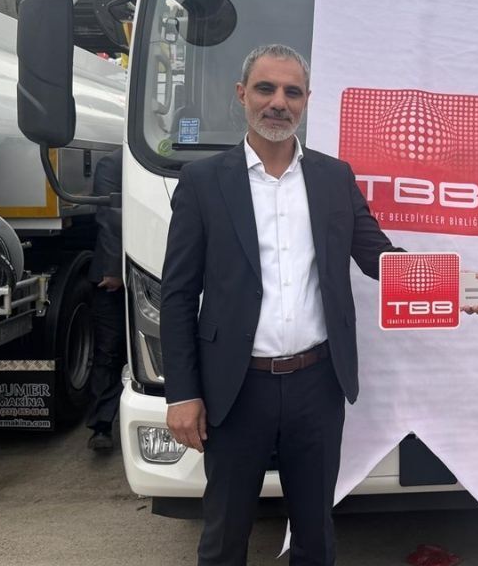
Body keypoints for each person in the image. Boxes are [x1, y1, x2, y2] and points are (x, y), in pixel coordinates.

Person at [159, 44, 397, 566]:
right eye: (265, 89)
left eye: (292, 92)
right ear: (242, 94)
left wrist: (449, 286)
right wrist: (182, 393)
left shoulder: (334, 178)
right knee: (225, 534)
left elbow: (378, 257)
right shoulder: (204, 182)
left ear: (307, 100)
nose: (278, 103)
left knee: (315, 532)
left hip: (318, 383)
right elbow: (177, 294)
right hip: (236, 387)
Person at [86, 147, 125, 452]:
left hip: (153, 267)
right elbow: (109, 218)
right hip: (112, 277)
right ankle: (102, 425)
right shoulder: (113, 163)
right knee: (109, 350)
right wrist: (114, 270)